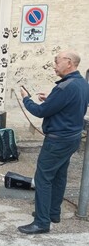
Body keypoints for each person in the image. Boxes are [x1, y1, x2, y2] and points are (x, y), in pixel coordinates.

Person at [18, 50, 89, 235]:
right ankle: (53, 213)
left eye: (57, 61)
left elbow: (41, 112)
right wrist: (51, 100)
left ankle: (41, 222)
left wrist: (26, 98)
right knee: (59, 176)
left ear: (69, 62)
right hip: (72, 138)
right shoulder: (81, 83)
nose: (54, 65)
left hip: (58, 140)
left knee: (43, 179)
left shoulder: (65, 87)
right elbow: (69, 106)